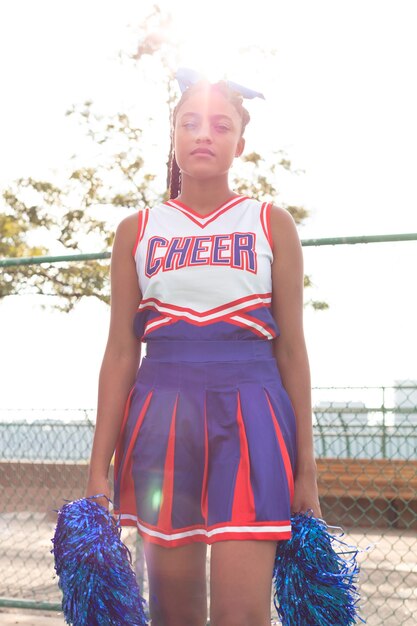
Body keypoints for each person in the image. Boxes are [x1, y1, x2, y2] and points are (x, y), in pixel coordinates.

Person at [86, 74, 321, 626]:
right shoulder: (137, 229)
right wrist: (98, 467)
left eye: (221, 125)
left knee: (241, 615)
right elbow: (121, 351)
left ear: (240, 143)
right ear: (172, 136)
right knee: (173, 615)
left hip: (253, 415)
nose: (203, 135)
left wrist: (306, 471)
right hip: (161, 416)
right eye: (189, 123)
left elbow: (292, 351)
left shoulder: (270, 223)